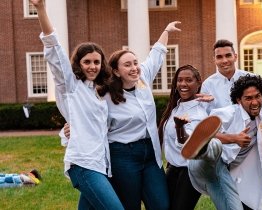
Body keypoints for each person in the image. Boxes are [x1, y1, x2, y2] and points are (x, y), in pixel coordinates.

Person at [32, 1, 124, 209]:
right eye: (87, 62)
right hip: (83, 164)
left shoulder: (99, 92)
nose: (92, 66)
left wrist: (70, 130)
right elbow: (54, 49)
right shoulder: (71, 86)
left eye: (96, 62)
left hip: (100, 165)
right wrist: (41, 10)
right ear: (78, 64)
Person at [105, 21, 181, 210]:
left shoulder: (143, 79)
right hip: (123, 155)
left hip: (150, 153)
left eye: (135, 63)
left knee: (161, 204)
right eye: (127, 65)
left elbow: (156, 55)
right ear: (116, 71)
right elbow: (90, 118)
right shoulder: (105, 96)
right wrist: (71, 128)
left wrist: (166, 30)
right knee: (130, 205)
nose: (134, 68)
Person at [186, 74, 262, 210]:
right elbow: (204, 132)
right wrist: (234, 138)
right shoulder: (229, 113)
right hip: (203, 162)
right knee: (214, 144)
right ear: (238, 100)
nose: (254, 102)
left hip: (220, 172)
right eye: (248, 98)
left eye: (257, 96)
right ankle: (202, 148)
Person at [157, 65, 208, 210]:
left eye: (188, 80)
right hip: (173, 168)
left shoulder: (199, 114)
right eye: (179, 80)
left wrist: (180, 128)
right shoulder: (176, 106)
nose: (183, 84)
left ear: (198, 83)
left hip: (190, 171)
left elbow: (189, 145)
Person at [201, 39, 252, 112]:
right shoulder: (207, 85)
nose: (224, 61)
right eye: (219, 57)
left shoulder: (251, 78)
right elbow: (204, 113)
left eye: (228, 55)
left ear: (235, 57)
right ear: (214, 60)